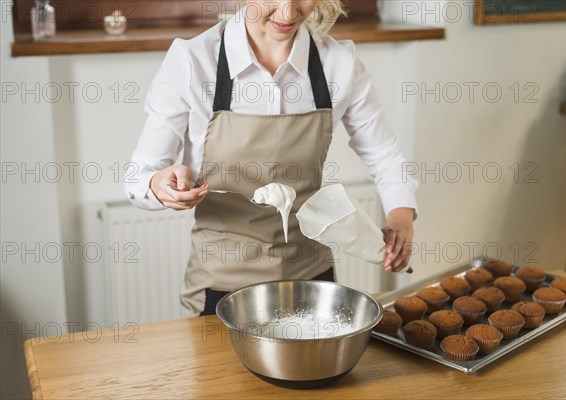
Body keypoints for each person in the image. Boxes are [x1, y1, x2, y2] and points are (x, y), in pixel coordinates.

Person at [125, 0, 419, 317]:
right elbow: (140, 175)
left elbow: (385, 155)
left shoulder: (338, 63)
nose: (288, 14)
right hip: (219, 284)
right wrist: (160, 186)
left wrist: (400, 220)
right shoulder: (193, 61)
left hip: (312, 278)